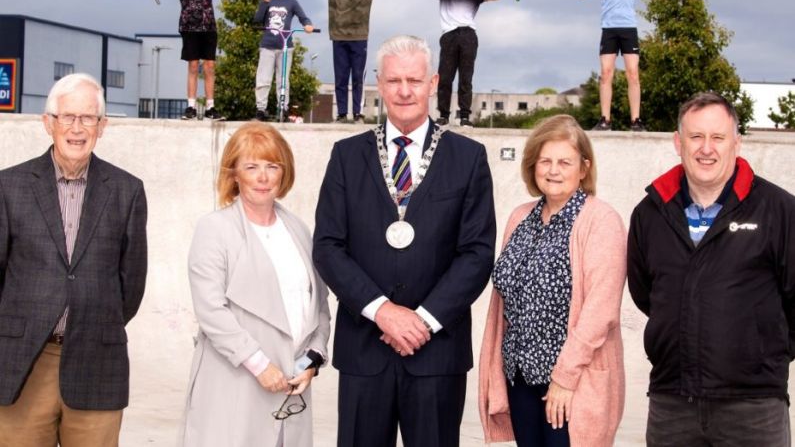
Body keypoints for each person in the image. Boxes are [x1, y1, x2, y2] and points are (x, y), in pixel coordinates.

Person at [313, 35, 496, 447]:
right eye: (394, 80)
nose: (405, 90)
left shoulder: (468, 158)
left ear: (433, 83)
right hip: (365, 347)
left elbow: (477, 253)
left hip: (437, 351)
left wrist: (423, 320)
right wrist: (383, 313)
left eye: (414, 80)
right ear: (379, 82)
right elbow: (327, 245)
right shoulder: (347, 155)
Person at [627, 92, 795, 447]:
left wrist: (763, 354)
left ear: (736, 142)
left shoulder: (779, 210)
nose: (707, 148)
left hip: (754, 408)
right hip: (672, 404)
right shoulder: (649, 214)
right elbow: (647, 293)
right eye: (696, 137)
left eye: (718, 137)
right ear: (678, 142)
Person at [0, 73, 148, 447]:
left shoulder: (127, 191)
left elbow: (131, 284)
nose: (77, 128)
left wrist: (92, 317)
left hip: (97, 362)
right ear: (48, 122)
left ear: (103, 126)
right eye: (68, 117)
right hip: (23, 364)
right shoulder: (8, 186)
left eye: (88, 118)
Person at [479, 114, 626, 447]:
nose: (553, 170)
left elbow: (600, 311)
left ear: (584, 168)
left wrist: (564, 379)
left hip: (572, 384)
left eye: (564, 161)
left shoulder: (600, 221)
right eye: (545, 161)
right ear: (533, 166)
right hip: (519, 379)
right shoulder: (520, 217)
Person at [181, 122, 330, 447]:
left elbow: (319, 306)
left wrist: (310, 363)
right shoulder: (214, 229)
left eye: (272, 166)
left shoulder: (300, 230)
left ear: (283, 172)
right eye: (252, 166)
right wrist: (260, 364)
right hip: (235, 383)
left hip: (292, 390)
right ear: (234, 174)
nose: (263, 177)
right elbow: (211, 310)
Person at [569, 0, 668, 132]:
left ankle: (636, 120)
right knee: (606, 75)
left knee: (633, 74)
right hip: (609, 30)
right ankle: (605, 120)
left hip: (628, 29)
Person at [153, 0, 247, 121]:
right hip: (189, 26)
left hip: (209, 27)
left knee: (210, 66)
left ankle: (211, 107)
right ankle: (191, 107)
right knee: (193, 66)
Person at [309, 0, 396, 123]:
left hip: (359, 36)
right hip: (339, 36)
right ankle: (341, 114)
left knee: (358, 77)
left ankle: (358, 113)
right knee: (340, 77)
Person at [420, 0, 501, 127]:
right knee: (445, 77)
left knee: (466, 78)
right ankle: (443, 114)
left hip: (468, 36)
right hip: (449, 35)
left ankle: (465, 116)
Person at [253, 0, 314, 122]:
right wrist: (264, 3)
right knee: (263, 79)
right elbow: (258, 20)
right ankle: (261, 109)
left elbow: (303, 17)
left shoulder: (291, 2)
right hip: (267, 45)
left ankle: (283, 108)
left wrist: (308, 25)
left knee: (283, 80)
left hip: (285, 47)